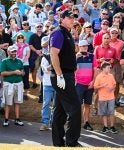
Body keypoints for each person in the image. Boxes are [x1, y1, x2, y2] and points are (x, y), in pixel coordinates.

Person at [49, 10, 81, 147]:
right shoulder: (58, 32)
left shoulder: (67, 33)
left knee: (60, 111)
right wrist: (59, 75)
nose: (72, 19)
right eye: (69, 17)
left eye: (73, 17)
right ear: (61, 19)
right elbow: (53, 54)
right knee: (75, 108)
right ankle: (72, 142)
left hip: (66, 75)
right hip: (61, 75)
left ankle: (58, 143)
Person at [0, 45, 24, 127]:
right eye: (12, 51)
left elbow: (22, 71)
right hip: (8, 84)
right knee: (8, 103)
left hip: (19, 84)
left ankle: (17, 119)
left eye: (15, 51)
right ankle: (6, 119)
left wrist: (22, 72)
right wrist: (14, 72)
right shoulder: (4, 61)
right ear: (8, 52)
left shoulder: (19, 61)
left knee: (17, 102)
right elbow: (2, 73)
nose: (14, 53)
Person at [75, 40, 94, 131]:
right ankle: (76, 122)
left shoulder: (92, 56)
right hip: (79, 84)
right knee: (77, 104)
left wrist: (93, 81)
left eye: (86, 46)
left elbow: (96, 70)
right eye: (82, 46)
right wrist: (75, 58)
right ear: (79, 47)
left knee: (87, 105)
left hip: (89, 84)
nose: (84, 48)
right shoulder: (75, 57)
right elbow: (71, 69)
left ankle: (86, 122)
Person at [94, 62, 117, 134]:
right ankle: (105, 127)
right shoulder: (99, 77)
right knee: (104, 113)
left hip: (111, 97)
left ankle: (112, 127)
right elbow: (95, 87)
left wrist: (112, 88)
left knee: (111, 112)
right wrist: (102, 85)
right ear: (103, 68)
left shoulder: (111, 76)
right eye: (108, 68)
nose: (109, 69)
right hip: (102, 98)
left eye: (110, 68)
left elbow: (114, 84)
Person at [40, 38, 55, 131]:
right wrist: (52, 66)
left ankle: (54, 123)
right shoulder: (44, 58)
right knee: (46, 104)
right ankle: (45, 123)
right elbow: (45, 69)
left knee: (56, 105)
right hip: (47, 84)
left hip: (57, 84)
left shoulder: (59, 56)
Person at [14, 33, 30, 100]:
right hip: (16, 64)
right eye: (19, 37)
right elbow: (13, 55)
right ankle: (18, 94)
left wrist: (22, 62)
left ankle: (25, 94)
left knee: (25, 79)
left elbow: (28, 55)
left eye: (21, 37)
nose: (20, 38)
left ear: (23, 38)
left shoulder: (27, 46)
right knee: (17, 79)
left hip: (25, 64)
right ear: (17, 39)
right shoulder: (14, 45)